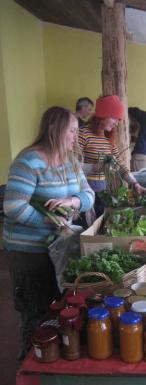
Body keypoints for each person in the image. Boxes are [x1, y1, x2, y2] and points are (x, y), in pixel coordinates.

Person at [3, 106, 95, 360]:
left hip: (59, 247)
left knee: (58, 306)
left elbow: (89, 195)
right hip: (29, 251)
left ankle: (52, 364)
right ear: (54, 129)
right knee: (35, 310)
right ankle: (30, 370)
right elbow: (12, 207)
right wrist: (49, 221)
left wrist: (72, 201)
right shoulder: (29, 161)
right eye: (72, 131)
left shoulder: (70, 161)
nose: (76, 137)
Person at [78, 95, 146, 217]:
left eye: (119, 120)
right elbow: (70, 165)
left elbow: (120, 166)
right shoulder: (83, 134)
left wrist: (135, 183)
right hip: (84, 192)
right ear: (103, 115)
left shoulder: (108, 140)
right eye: (115, 118)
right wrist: (93, 167)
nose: (117, 123)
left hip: (102, 192)